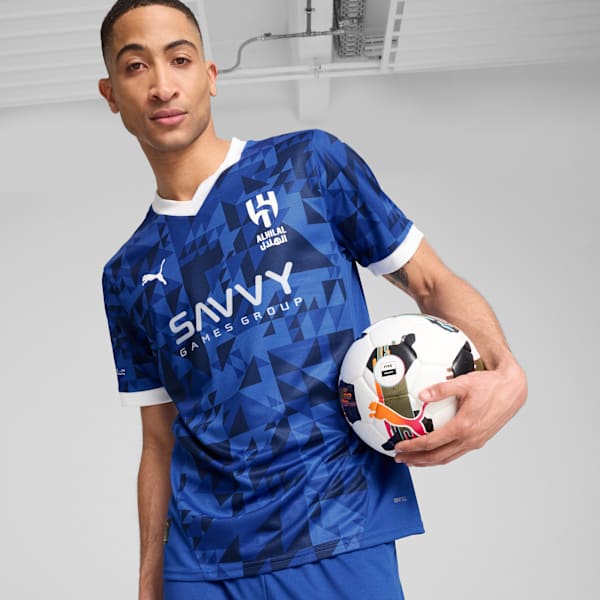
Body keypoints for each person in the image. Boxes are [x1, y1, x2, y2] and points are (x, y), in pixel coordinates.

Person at [98, 1, 527, 598]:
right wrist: (150, 576)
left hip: (338, 525)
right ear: (111, 94)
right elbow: (159, 439)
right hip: (200, 563)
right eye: (136, 66)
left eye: (180, 59)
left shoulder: (307, 166)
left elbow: (430, 282)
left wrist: (506, 371)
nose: (163, 85)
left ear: (210, 76)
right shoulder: (127, 273)